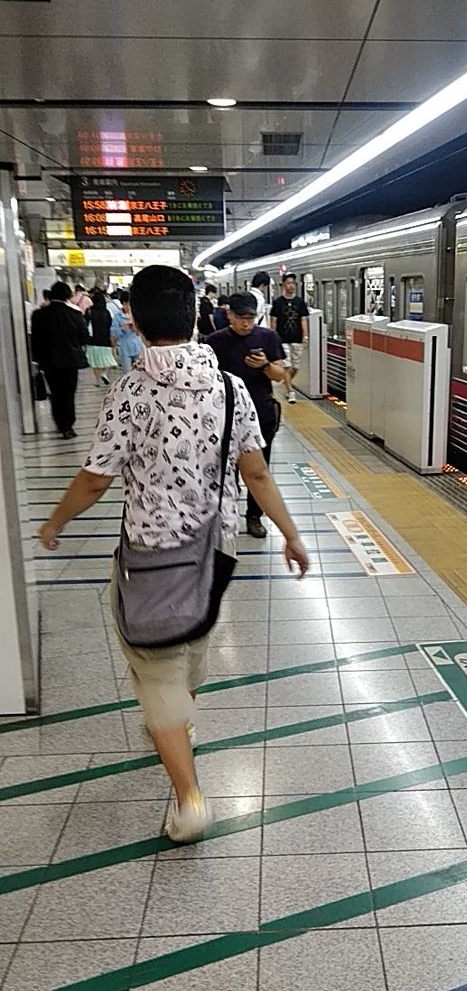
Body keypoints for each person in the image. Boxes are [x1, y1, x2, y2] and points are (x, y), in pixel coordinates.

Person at [38, 265, 309, 842]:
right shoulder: (231, 390)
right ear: (195, 318)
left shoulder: (129, 391)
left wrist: (55, 520)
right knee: (192, 638)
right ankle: (174, 721)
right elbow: (255, 472)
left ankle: (189, 797)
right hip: (216, 544)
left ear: (134, 318)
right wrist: (290, 532)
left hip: (151, 552)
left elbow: (94, 480)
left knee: (154, 661)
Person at [206, 291, 286, 539]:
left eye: (251, 318)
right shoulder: (213, 341)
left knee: (259, 470)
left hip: (261, 414)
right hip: (223, 416)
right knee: (223, 469)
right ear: (228, 314)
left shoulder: (268, 337)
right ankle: (224, 514)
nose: (246, 324)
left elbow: (280, 375)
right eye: (241, 318)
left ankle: (254, 516)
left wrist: (264, 366)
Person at [30, 280, 88, 439]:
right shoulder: (75, 314)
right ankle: (68, 425)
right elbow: (83, 338)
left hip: (49, 362)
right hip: (71, 361)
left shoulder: (38, 315)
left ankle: (61, 423)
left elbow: (35, 339)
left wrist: (36, 360)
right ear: (68, 296)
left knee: (55, 393)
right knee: (69, 392)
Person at [270, 272, 309, 404]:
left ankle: (286, 383)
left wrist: (305, 336)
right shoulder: (277, 303)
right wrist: (273, 337)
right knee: (286, 366)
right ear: (283, 285)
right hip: (282, 339)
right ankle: (290, 391)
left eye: (293, 283)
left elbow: (304, 320)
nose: (291, 286)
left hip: (297, 338)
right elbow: (273, 321)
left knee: (295, 367)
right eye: (288, 283)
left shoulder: (300, 302)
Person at [86, 289, 116, 386]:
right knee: (105, 360)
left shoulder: (89, 311)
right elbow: (110, 325)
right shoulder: (106, 312)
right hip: (105, 340)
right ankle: (104, 374)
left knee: (95, 362)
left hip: (92, 340)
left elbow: (85, 324)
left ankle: (97, 381)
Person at [111, 289, 143, 372]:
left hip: (138, 346)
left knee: (139, 372)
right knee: (127, 373)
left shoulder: (136, 314)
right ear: (123, 303)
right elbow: (114, 332)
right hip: (124, 347)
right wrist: (122, 328)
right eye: (127, 304)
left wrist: (136, 328)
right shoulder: (117, 316)